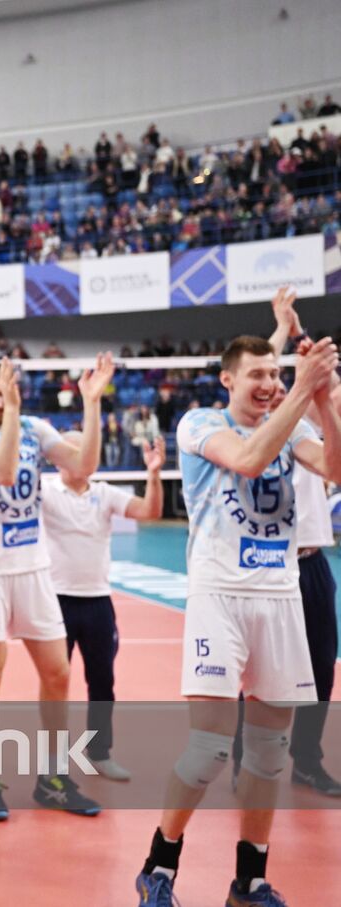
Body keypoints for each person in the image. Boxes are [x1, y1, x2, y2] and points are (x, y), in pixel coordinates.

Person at [135, 334, 341, 907]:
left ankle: (248, 882)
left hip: (280, 597)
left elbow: (335, 469)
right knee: (208, 749)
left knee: (271, 753)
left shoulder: (294, 421)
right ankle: (159, 868)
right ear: (228, 380)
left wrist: (324, 401)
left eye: (275, 373)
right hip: (219, 594)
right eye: (257, 374)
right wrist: (302, 391)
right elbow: (249, 460)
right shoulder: (199, 422)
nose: (270, 383)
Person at [0, 352, 114, 821]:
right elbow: (1, 471)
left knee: (59, 673)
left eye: (4, 393)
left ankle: (52, 777)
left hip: (34, 569)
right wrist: (15, 416)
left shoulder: (37, 429)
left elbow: (83, 466)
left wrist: (91, 403)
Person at [41, 434, 165, 781]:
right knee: (55, 685)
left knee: (102, 682)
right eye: (71, 450)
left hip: (97, 602)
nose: (79, 455)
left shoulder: (105, 493)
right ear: (57, 458)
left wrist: (153, 473)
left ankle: (99, 753)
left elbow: (150, 512)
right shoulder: (46, 492)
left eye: (85, 449)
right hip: (56, 602)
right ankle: (52, 761)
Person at [261, 287, 340, 796]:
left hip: (312, 561)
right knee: (261, 670)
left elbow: (325, 385)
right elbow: (260, 364)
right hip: (268, 562)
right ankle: (248, 755)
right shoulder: (266, 415)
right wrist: (283, 329)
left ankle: (306, 759)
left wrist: (298, 331)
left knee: (321, 666)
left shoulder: (320, 417)